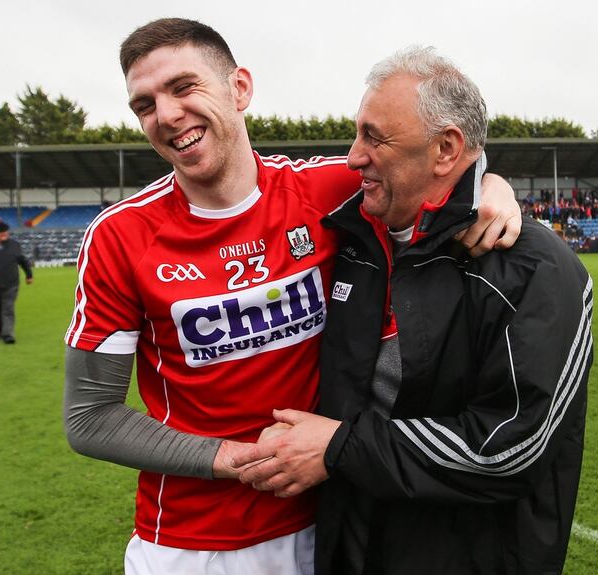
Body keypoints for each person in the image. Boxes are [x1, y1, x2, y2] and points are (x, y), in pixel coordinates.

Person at [61, 18, 520, 575]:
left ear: (240, 89)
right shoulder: (120, 236)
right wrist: (226, 458)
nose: (166, 115)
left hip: (322, 524)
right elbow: (90, 417)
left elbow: (433, 163)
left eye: (184, 87)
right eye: (144, 105)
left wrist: (493, 186)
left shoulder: (326, 192)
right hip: (189, 543)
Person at [232, 47, 591, 574]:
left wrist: (339, 447)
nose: (353, 157)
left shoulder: (536, 270)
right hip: (351, 543)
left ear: (446, 150)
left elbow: (510, 449)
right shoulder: (353, 238)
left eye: (374, 137)